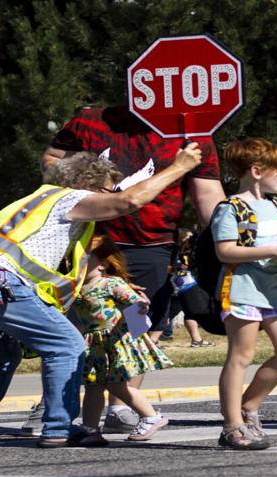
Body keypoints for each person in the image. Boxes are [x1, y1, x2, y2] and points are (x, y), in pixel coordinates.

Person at [0, 146, 203, 447]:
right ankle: (59, 428)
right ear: (87, 183)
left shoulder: (32, 200)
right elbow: (129, 201)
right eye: (104, 191)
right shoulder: (68, 198)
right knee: (67, 345)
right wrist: (180, 167)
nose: (104, 199)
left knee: (1, 356)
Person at [44, 105, 224, 430]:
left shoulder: (193, 132)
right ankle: (57, 404)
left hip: (152, 246)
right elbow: (52, 159)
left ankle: (121, 406)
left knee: (136, 327)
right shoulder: (91, 120)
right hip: (92, 239)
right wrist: (78, 187)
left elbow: (207, 193)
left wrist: (224, 244)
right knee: (77, 325)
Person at [211, 138, 277, 451]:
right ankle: (232, 426)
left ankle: (249, 406)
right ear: (256, 170)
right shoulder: (230, 208)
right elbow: (224, 251)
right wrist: (274, 250)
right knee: (241, 356)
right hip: (243, 290)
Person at [69, 237, 173, 444]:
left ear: (104, 263)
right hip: (95, 345)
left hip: (116, 341)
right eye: (74, 260)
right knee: (93, 387)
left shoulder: (110, 283)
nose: (77, 264)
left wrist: (141, 305)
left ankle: (152, 416)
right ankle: (90, 429)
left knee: (116, 385)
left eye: (83, 259)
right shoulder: (77, 289)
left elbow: (135, 301)